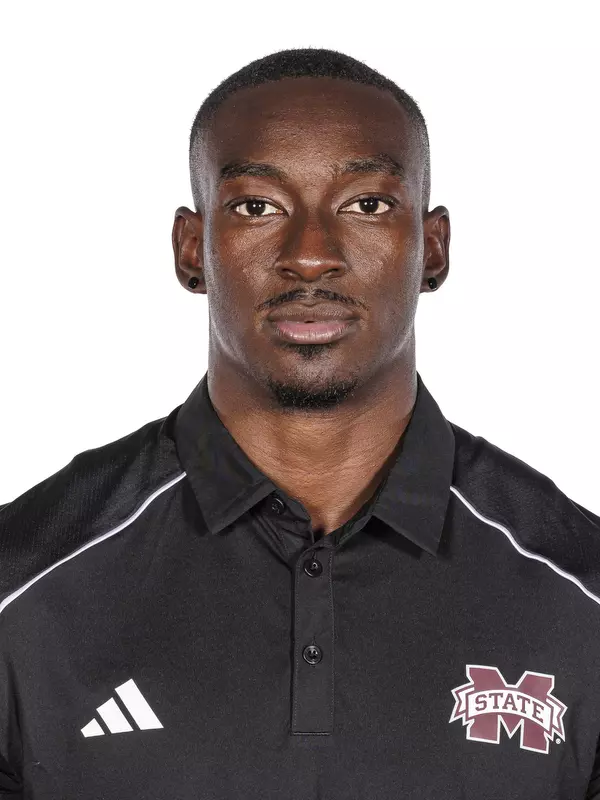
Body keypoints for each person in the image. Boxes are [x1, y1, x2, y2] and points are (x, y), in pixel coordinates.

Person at [1, 47, 599, 800]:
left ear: (433, 247)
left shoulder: (580, 596)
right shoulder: (23, 590)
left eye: (368, 204)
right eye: (257, 206)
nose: (310, 256)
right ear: (193, 249)